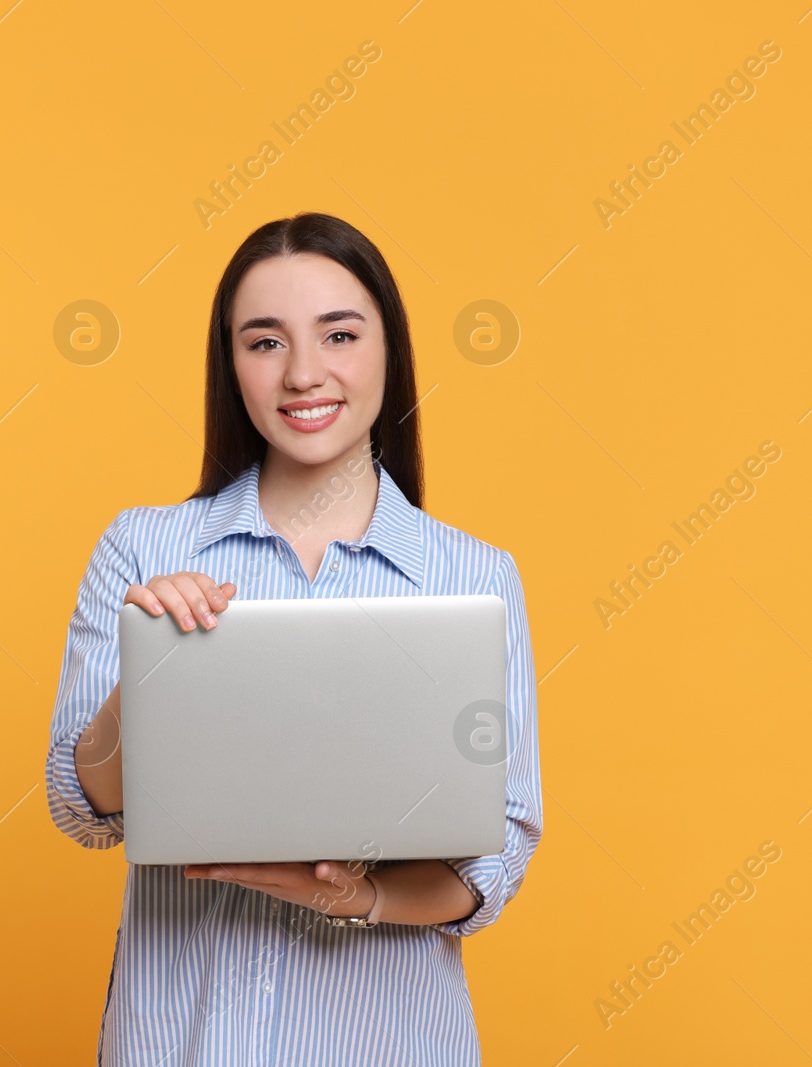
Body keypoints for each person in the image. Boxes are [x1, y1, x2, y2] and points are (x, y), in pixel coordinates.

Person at [44, 211, 541, 1065]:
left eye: (339, 334)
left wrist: (364, 896)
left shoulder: (473, 576)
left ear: (390, 348)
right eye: (264, 342)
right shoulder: (146, 549)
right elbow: (80, 806)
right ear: (230, 363)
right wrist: (149, 670)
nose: (304, 373)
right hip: (179, 1041)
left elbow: (494, 855)